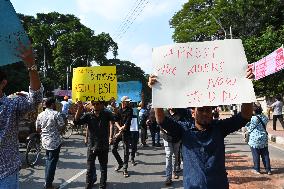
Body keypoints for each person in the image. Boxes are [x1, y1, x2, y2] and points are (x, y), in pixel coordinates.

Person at [148, 68, 254, 189]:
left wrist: (247, 86)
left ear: (212, 112)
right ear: (193, 113)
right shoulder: (184, 129)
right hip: (192, 185)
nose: (205, 113)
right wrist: (156, 91)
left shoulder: (219, 128)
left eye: (208, 110)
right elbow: (161, 120)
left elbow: (245, 115)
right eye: (201, 110)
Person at [0, 44, 43, 189]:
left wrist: (31, 65)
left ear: (3, 83)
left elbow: (35, 99)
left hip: (5, 174)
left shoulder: (12, 104)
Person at [74, 100, 113, 189]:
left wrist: (111, 137)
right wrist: (79, 108)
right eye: (93, 103)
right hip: (92, 146)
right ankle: (88, 186)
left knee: (103, 168)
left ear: (102, 104)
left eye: (97, 104)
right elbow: (76, 122)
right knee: (89, 169)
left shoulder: (107, 114)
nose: (95, 105)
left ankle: (102, 186)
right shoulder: (88, 115)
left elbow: (115, 120)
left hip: (103, 145)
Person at [36, 98, 65, 189]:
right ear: (52, 104)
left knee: (48, 161)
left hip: (44, 141)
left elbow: (37, 129)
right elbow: (61, 126)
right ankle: (48, 185)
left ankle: (47, 182)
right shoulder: (56, 114)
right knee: (52, 162)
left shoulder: (40, 115)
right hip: (54, 142)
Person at [245, 105, 271, 175]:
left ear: (254, 111)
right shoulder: (265, 117)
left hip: (254, 139)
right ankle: (268, 170)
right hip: (263, 138)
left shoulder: (252, 118)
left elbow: (248, 127)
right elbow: (266, 121)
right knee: (265, 154)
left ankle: (257, 169)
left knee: (256, 154)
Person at [112, 96, 133, 178]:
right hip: (118, 131)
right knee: (113, 149)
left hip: (126, 133)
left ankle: (125, 168)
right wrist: (119, 128)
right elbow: (115, 121)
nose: (128, 102)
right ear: (123, 102)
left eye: (128, 101)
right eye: (126, 101)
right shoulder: (118, 110)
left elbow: (127, 123)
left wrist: (121, 130)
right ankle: (120, 163)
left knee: (126, 151)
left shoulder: (130, 110)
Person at [161, 108, 183, 186]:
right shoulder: (164, 113)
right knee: (168, 154)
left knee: (175, 155)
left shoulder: (179, 113)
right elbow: (159, 122)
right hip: (167, 137)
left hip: (177, 138)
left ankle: (174, 171)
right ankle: (168, 177)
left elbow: (182, 125)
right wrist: (164, 130)